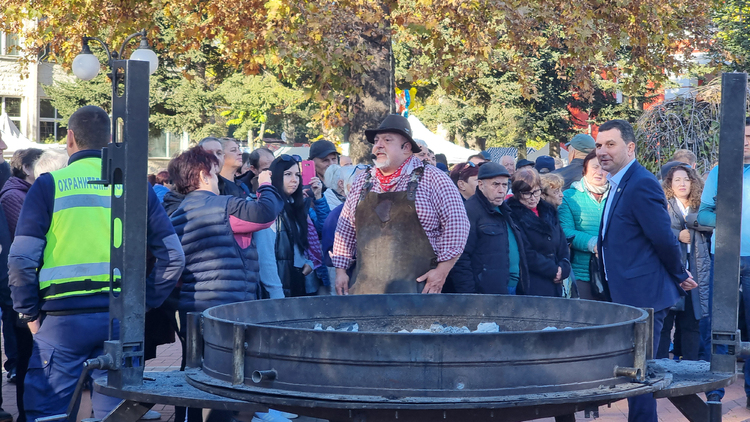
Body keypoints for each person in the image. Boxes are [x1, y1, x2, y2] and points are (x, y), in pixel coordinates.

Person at [8, 105, 185, 422]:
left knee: (47, 415)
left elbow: (21, 259)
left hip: (61, 322)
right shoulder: (135, 187)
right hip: (118, 321)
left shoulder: (49, 186)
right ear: (109, 141)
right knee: (117, 414)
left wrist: (28, 312)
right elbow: (173, 256)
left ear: (70, 138)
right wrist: (142, 303)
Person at [596, 119, 696, 421]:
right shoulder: (618, 182)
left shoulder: (641, 182)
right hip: (627, 293)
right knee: (635, 370)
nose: (602, 151)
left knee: (640, 373)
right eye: (599, 145)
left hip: (646, 296)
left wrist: (679, 274)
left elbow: (663, 237)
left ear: (630, 147)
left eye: (610, 144)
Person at [333, 114, 469, 295]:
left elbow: (457, 225)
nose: (378, 146)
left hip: (416, 292)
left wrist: (442, 271)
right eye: (376, 141)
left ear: (406, 148)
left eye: (387, 140)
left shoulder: (434, 179)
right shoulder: (362, 182)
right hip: (366, 293)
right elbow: (345, 228)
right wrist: (341, 271)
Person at [170, 146, 283, 312]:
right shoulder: (226, 206)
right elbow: (266, 214)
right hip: (230, 311)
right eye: (215, 175)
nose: (219, 182)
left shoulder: (177, 217)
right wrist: (265, 184)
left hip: (193, 309)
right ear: (203, 176)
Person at [698, 117, 750, 405]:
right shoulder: (719, 171)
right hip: (725, 256)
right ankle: (715, 392)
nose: (745, 141)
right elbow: (704, 214)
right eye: (741, 136)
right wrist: (724, 219)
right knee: (719, 325)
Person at [656, 164, 711, 361]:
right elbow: (656, 231)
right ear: (669, 183)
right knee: (664, 323)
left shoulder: (701, 205)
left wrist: (694, 225)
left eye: (686, 179)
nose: (682, 184)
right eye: (677, 179)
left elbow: (712, 224)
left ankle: (691, 369)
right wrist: (677, 234)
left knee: (691, 324)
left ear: (693, 182)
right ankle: (660, 366)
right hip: (670, 272)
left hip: (697, 270)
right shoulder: (663, 204)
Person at [449, 163, 528, 295]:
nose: (502, 190)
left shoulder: (506, 210)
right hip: (486, 294)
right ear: (480, 185)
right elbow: (460, 259)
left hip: (513, 288)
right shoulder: (469, 211)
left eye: (505, 185)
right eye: (495, 184)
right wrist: (469, 296)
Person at [507, 168, 571, 297]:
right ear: (517, 193)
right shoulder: (511, 213)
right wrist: (553, 270)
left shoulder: (548, 210)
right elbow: (524, 251)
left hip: (556, 280)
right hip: (532, 282)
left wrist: (564, 267)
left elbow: (562, 243)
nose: (532, 198)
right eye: (526, 193)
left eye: (536, 192)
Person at [270, 155, 326, 297]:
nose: (294, 180)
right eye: (287, 174)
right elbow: (267, 257)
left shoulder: (296, 206)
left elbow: (321, 231)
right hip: (278, 285)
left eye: (297, 175)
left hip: (297, 279)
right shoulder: (269, 208)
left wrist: (309, 263)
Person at [558, 151, 609, 300]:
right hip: (581, 273)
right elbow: (565, 231)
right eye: (594, 167)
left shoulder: (616, 196)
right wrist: (594, 244)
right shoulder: (569, 197)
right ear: (585, 168)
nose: (599, 172)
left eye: (604, 168)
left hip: (612, 273)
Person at [321, 165, 367, 294]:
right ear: (347, 187)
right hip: (350, 278)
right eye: (361, 182)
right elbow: (330, 254)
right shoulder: (337, 215)